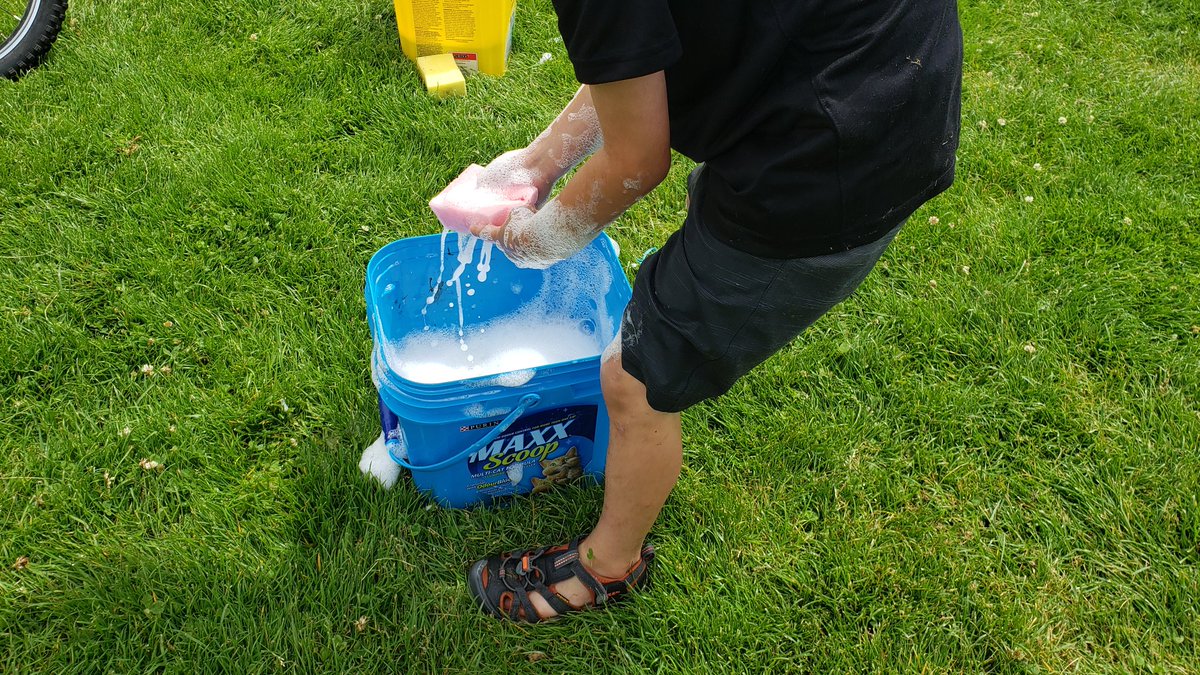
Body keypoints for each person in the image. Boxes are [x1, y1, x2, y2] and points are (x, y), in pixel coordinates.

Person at [461, 0, 963, 622]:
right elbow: (646, 48)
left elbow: (635, 161)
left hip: (841, 153)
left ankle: (608, 567)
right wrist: (534, 166)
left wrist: (533, 244)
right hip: (874, 68)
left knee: (636, 379)